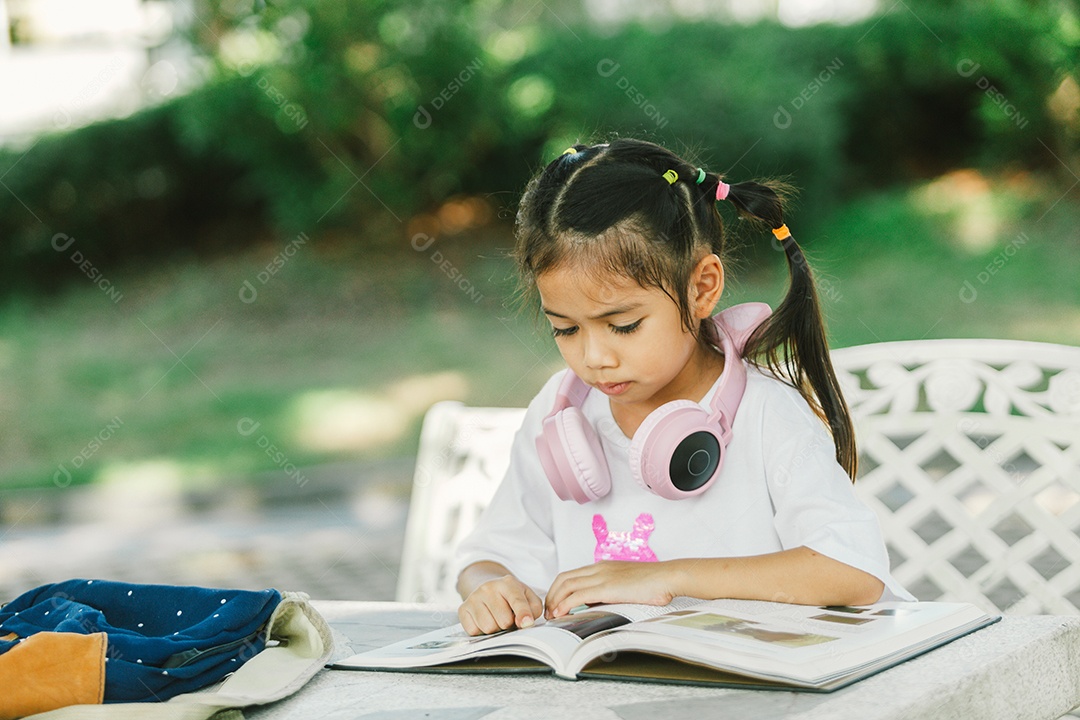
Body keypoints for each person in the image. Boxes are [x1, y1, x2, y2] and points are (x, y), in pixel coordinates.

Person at [453, 138, 913, 637]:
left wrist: (667, 578)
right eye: (565, 329)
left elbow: (853, 571)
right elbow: (490, 556)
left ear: (702, 288)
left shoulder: (765, 415)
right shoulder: (563, 412)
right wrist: (492, 587)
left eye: (624, 325)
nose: (594, 358)